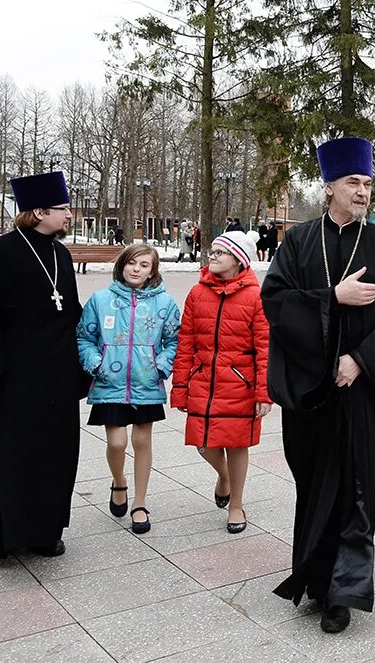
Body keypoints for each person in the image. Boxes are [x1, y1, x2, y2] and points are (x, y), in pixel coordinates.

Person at [262, 137, 375, 634]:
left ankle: (343, 590)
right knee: (313, 484)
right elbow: (276, 303)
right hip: (312, 393)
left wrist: (359, 359)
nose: (362, 192)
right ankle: (314, 577)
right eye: (353, 182)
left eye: (368, 183)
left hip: (360, 393)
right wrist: (334, 296)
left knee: (356, 487)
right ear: (329, 185)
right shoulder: (298, 242)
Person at [0, 172, 86, 559]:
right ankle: (6, 535)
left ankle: (45, 531)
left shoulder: (60, 253)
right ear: (38, 211)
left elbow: (71, 310)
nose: (70, 216)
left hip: (59, 376)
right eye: (63, 209)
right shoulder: (1, 253)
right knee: (13, 454)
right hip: (14, 376)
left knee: (57, 454)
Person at [171, 229, 271, 536]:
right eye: (212, 251)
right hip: (203, 380)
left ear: (239, 260)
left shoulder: (256, 297)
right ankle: (224, 476)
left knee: (237, 445)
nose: (212, 256)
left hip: (240, 384)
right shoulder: (197, 293)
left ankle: (236, 504)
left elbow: (266, 346)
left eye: (220, 252)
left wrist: (264, 393)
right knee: (203, 444)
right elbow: (185, 341)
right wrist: (180, 386)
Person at [77, 244, 180, 534]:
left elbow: (174, 340)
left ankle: (140, 502)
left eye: (144, 265)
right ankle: (119, 480)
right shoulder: (100, 300)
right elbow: (84, 337)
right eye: (132, 263)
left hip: (146, 383)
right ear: (122, 265)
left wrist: (160, 367)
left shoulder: (165, 304)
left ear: (153, 271)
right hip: (110, 382)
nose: (136, 269)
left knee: (143, 442)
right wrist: (97, 364)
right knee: (117, 443)